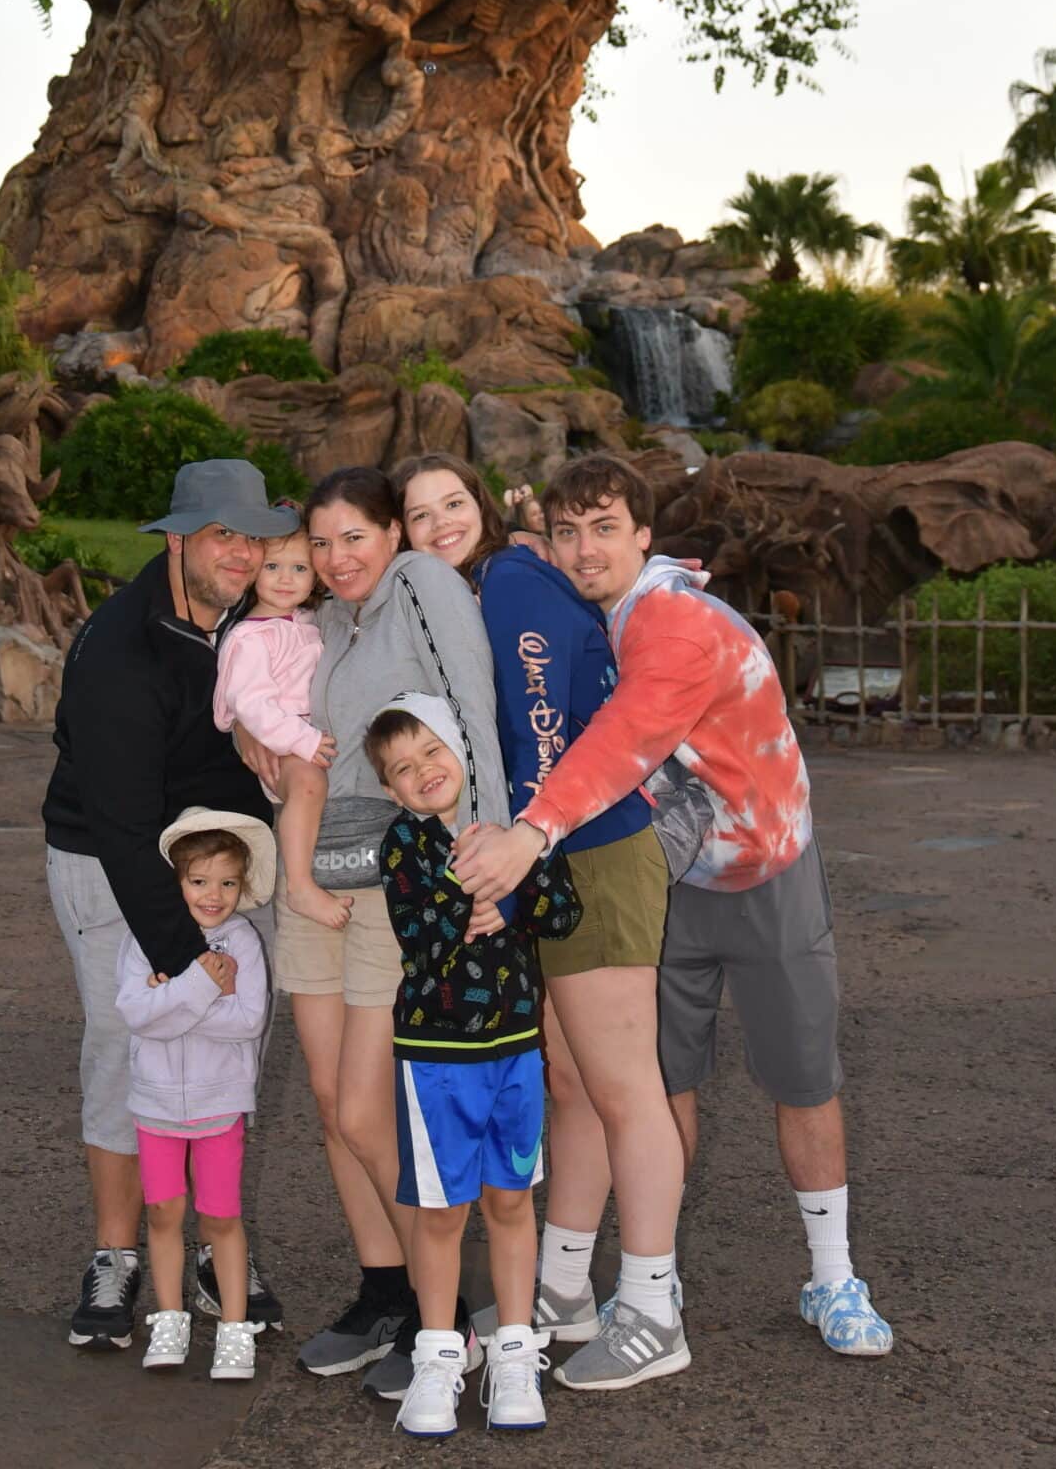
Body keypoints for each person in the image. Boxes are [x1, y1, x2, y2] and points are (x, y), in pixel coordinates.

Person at [456, 452, 895, 1360]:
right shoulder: (600, 613)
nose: (584, 551)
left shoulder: (674, 625)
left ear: (644, 536)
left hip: (765, 873)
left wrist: (529, 835)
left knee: (801, 1078)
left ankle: (832, 1275)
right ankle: (652, 1281)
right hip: (667, 880)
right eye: (568, 533)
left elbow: (625, 740)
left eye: (604, 528)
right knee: (660, 1083)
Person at [401, 452, 705, 1391]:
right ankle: (565, 1291)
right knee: (571, 1080)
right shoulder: (481, 588)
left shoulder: (511, 579)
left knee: (622, 1088)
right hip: (554, 853)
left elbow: (538, 728)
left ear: (484, 511)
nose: (441, 523)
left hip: (592, 849)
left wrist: (517, 845)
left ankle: (653, 1308)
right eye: (419, 515)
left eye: (455, 502)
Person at [254, 465, 509, 1400]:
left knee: (369, 1110)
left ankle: (450, 1319)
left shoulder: (424, 588)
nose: (335, 557)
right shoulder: (320, 625)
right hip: (314, 877)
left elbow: (472, 719)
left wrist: (481, 863)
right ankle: (386, 1293)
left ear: (390, 536)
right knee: (330, 1106)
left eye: (354, 536)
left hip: (402, 883)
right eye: (319, 543)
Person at [43, 458, 292, 1353]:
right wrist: (186, 961)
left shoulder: (263, 618)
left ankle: (215, 1244)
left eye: (255, 537)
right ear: (177, 539)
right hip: (113, 859)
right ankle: (116, 1254)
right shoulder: (119, 651)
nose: (244, 553)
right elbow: (119, 826)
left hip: (225, 854)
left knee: (233, 1046)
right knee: (129, 1043)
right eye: (224, 535)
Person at [367, 691, 581, 1437]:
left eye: (431, 751)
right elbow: (420, 934)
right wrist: (478, 900)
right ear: (390, 789)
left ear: (460, 749)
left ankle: (514, 1352)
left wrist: (513, 896)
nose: (422, 771)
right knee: (439, 1210)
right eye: (402, 768)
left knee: (512, 1201)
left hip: (514, 1049)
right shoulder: (403, 844)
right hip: (435, 1057)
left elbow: (561, 911)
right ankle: (436, 1354)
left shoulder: (515, 832)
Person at [116, 809, 276, 1381]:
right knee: (163, 1212)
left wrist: (178, 1000)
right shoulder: (145, 939)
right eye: (200, 880)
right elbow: (136, 1014)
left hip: (219, 1104)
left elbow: (248, 1021)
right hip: (156, 1104)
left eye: (228, 882)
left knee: (221, 1215)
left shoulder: (246, 942)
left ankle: (234, 1328)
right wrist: (205, 985)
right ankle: (169, 1318)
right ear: (177, 880)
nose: (214, 895)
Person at [211, 507, 345, 931]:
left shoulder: (302, 621)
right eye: (273, 566)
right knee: (308, 784)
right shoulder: (251, 637)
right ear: (254, 572)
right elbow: (252, 706)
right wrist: (301, 740)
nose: (286, 579)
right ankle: (299, 885)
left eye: (299, 568)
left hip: (300, 736)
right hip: (282, 744)